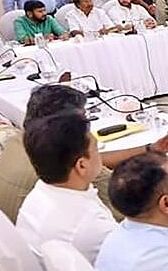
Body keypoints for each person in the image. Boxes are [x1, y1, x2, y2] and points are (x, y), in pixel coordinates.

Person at [0, 83, 168, 222]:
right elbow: (135, 206)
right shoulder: (64, 169)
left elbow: (97, 163)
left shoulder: (22, 141)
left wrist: (149, 150)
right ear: (64, 127)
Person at [16, 110, 115, 261]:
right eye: (96, 148)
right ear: (81, 165)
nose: (99, 154)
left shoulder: (42, 190)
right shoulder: (91, 225)